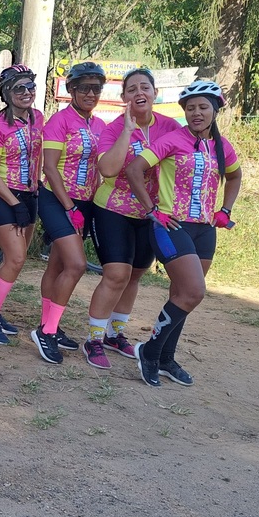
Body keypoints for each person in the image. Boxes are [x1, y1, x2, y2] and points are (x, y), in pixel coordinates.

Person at [125, 80, 241, 387]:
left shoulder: (222, 146)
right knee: (193, 292)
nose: (196, 113)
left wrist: (226, 209)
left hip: (205, 230)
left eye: (203, 107)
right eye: (190, 108)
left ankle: (165, 358)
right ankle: (149, 352)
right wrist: (152, 209)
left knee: (181, 296)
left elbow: (235, 176)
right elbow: (134, 169)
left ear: (215, 111)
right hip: (172, 226)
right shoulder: (173, 139)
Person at [86, 69, 180, 369]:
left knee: (135, 275)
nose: (139, 92)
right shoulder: (114, 128)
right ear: (124, 97)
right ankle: (94, 339)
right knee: (116, 274)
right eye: (132, 89)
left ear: (154, 93)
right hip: (113, 209)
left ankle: (115, 334)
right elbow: (108, 170)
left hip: (151, 213)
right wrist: (127, 131)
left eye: (145, 87)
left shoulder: (171, 127)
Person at [32, 62, 107, 364]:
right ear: (71, 90)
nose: (91, 93)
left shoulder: (100, 125)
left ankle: (49, 323)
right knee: (76, 265)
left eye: (96, 88)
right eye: (84, 87)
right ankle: (47, 332)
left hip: (85, 201)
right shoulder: (59, 121)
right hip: (56, 198)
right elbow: (50, 168)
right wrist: (70, 207)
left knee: (59, 264)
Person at [0, 64, 44, 345]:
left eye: (30, 86)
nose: (26, 92)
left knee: (15, 259)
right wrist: (15, 203)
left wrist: (37, 184)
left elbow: (39, 154)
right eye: (19, 88)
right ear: (6, 93)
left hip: (30, 194)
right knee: (15, 258)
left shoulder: (38, 118)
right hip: (4, 195)